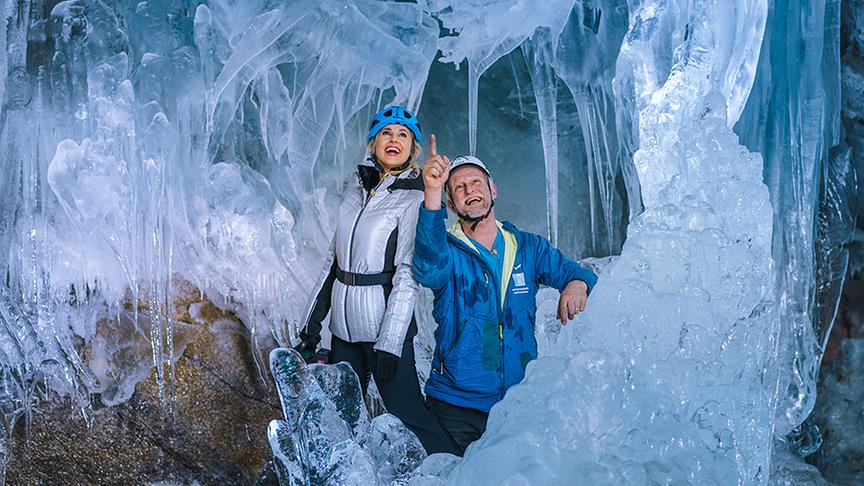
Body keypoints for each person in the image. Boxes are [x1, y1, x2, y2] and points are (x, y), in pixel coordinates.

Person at [413, 139, 598, 455]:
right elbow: (428, 270)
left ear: (492, 190)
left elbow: (577, 273)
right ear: (452, 202)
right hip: (456, 405)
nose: (470, 190)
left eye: (476, 182)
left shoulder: (528, 247)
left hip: (517, 402)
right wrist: (431, 193)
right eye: (459, 187)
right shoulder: (446, 250)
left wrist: (577, 286)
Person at [294, 106, 458, 455]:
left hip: (385, 331)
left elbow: (407, 275)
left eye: (403, 134)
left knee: (409, 414)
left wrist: (390, 342)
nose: (393, 139)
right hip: (344, 332)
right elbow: (332, 264)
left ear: (412, 148)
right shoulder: (356, 193)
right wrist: (310, 326)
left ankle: (456, 471)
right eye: (386, 133)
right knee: (342, 417)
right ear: (373, 143)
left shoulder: (414, 198)